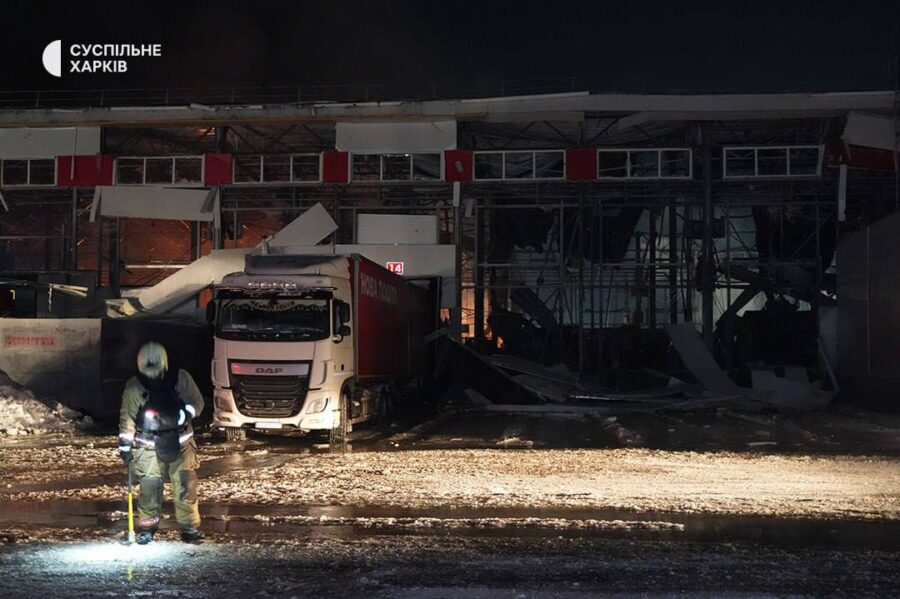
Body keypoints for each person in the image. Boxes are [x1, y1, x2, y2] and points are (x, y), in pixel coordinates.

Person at [118, 341, 205, 544]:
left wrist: (183, 416)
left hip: (181, 443)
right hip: (148, 446)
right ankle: (147, 528)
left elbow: (197, 402)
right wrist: (125, 446)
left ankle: (189, 528)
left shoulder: (181, 379)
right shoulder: (134, 387)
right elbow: (127, 418)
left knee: (185, 485)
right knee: (149, 487)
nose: (152, 375)